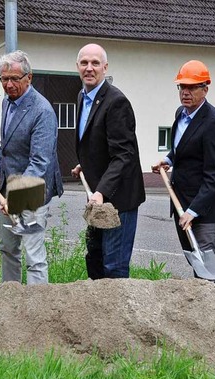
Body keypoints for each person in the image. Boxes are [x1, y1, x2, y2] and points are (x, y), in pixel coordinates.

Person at [0, 50, 63, 284]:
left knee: (34, 256)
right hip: (8, 190)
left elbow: (39, 162)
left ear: (29, 78)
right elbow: (5, 146)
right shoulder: (8, 103)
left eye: (15, 78)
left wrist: (16, 197)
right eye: (4, 78)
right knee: (8, 249)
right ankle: (11, 299)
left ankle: (36, 308)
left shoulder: (42, 111)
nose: (8, 84)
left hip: (33, 193)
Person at [71, 43, 145, 279]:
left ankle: (119, 315)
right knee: (94, 256)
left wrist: (102, 191)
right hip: (98, 197)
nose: (89, 68)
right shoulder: (83, 96)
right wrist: (87, 164)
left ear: (105, 67)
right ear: (77, 67)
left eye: (95, 63)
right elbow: (98, 142)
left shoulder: (116, 102)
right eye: (84, 63)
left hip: (118, 199)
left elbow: (124, 154)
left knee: (114, 265)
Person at [152, 60, 215, 281]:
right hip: (181, 202)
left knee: (205, 260)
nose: (185, 92)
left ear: (205, 89)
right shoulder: (181, 114)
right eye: (182, 87)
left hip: (203, 208)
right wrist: (168, 159)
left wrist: (193, 211)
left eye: (192, 87)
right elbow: (183, 146)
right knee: (193, 260)